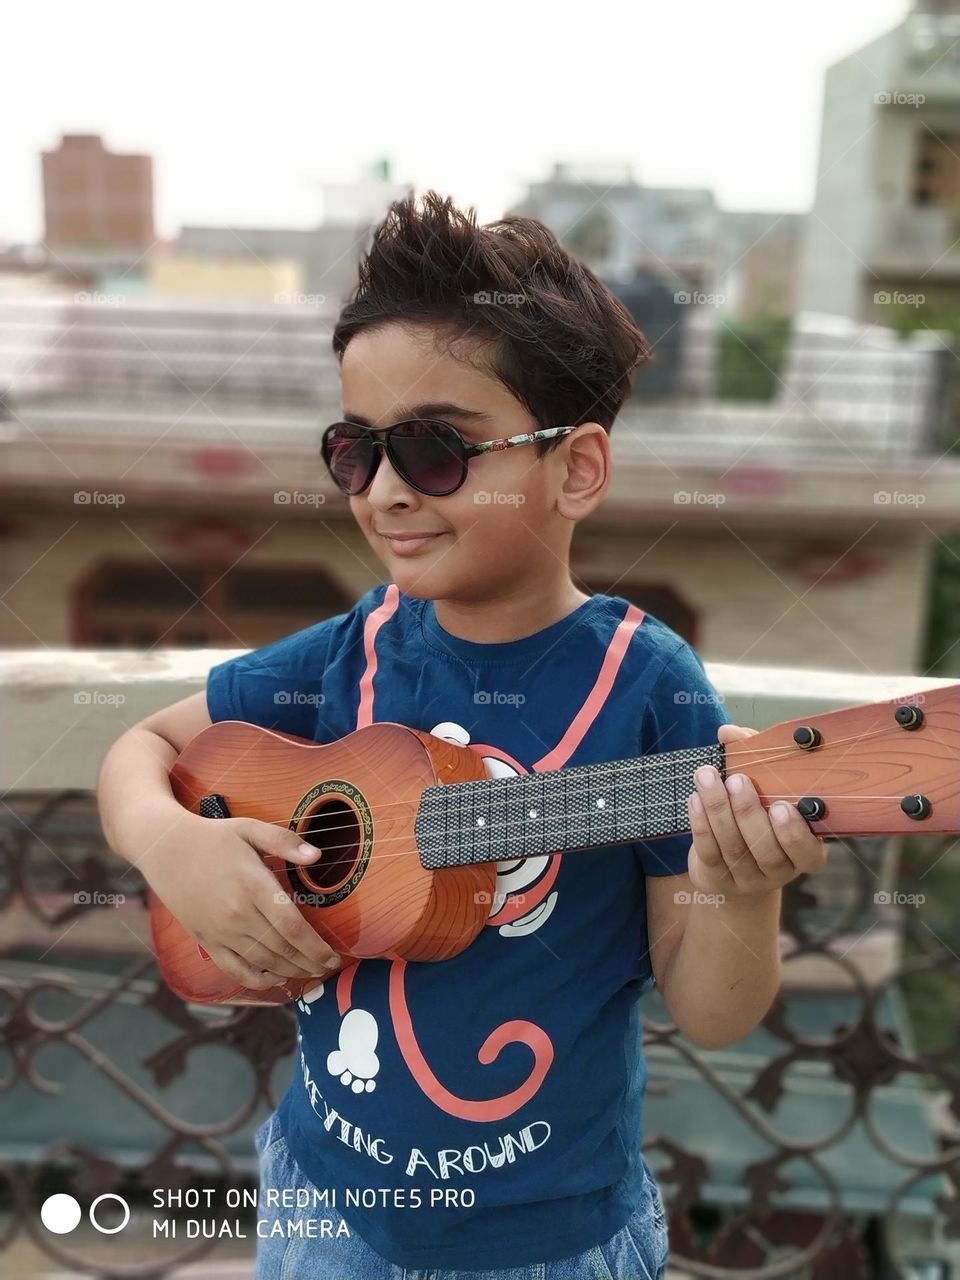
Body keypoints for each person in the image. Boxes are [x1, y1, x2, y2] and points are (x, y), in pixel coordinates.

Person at [97, 191, 828, 1280]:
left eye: (438, 449)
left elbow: (712, 1008)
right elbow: (140, 751)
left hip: (547, 1240)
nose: (388, 489)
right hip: (321, 1199)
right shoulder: (360, 643)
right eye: (358, 449)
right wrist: (172, 846)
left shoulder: (650, 688)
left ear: (575, 467)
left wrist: (748, 884)